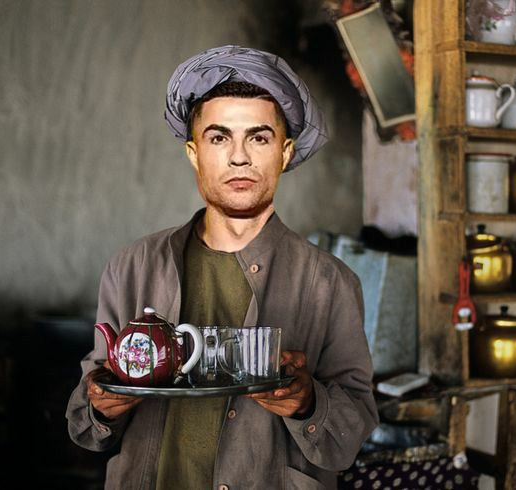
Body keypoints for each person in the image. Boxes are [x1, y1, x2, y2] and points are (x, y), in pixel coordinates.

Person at [66, 45, 378, 490]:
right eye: (219, 138)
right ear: (194, 153)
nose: (239, 157)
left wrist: (308, 402)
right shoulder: (133, 267)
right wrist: (101, 405)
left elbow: (350, 436)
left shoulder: (329, 282)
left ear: (285, 152)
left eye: (259, 138)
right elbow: (85, 423)